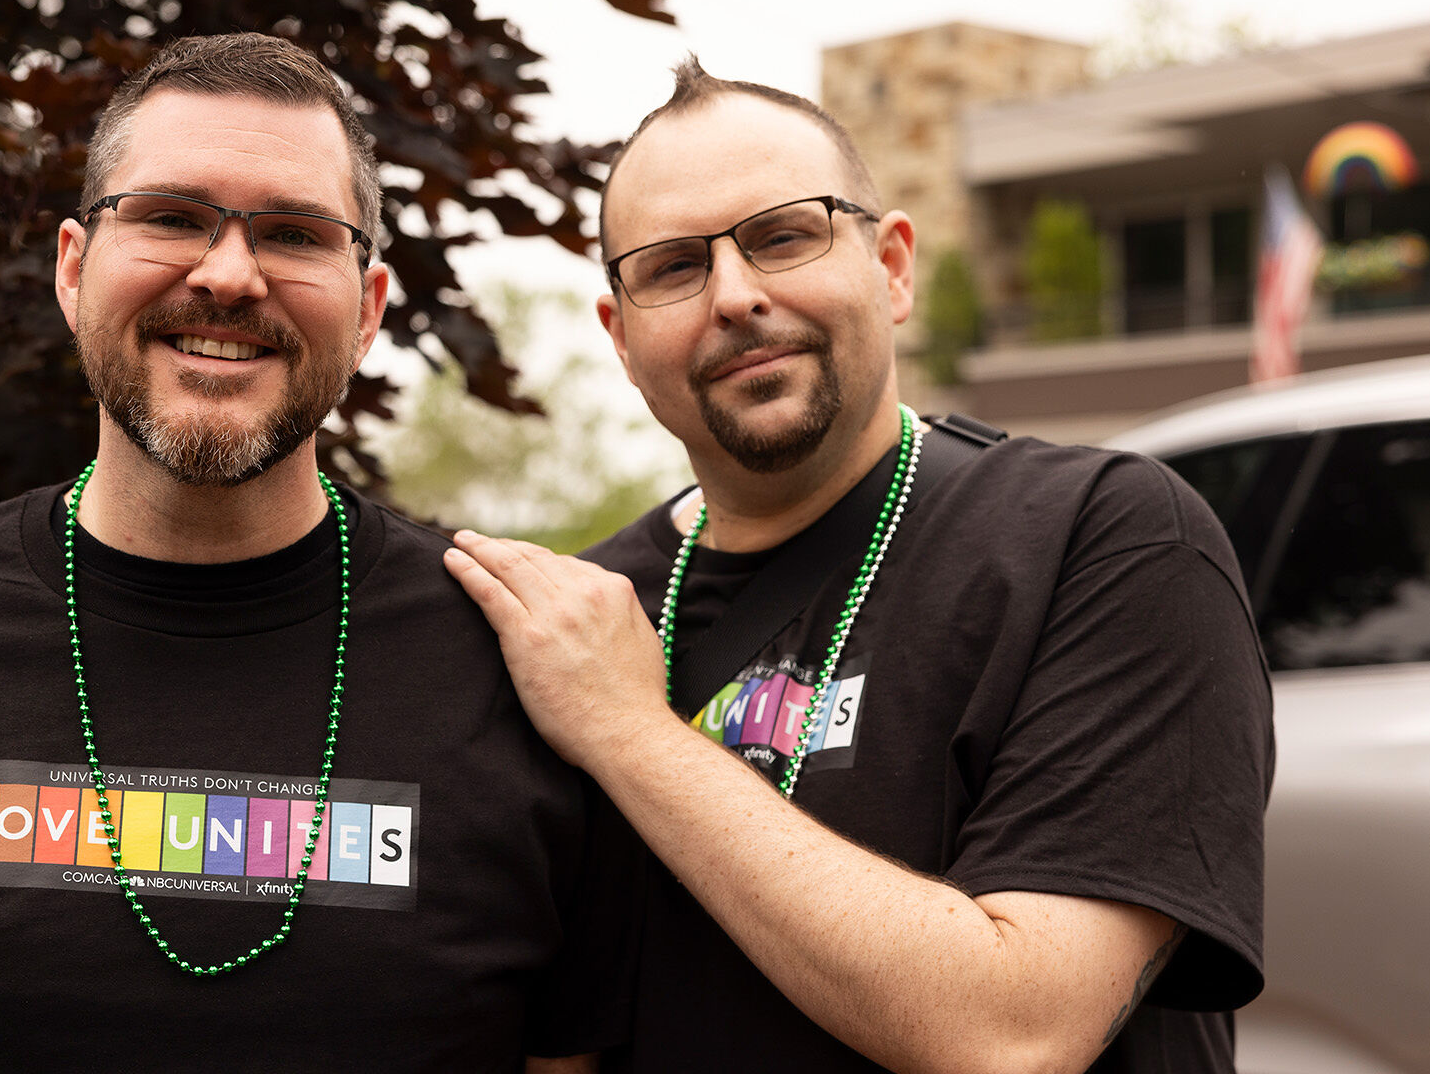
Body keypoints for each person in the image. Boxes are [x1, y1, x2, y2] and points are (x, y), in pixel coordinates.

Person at [0, 33, 628, 1073]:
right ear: (73, 270)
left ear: (365, 313)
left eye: (294, 233)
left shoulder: (519, 665)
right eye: (173, 218)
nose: (229, 276)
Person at [444, 60, 1272, 1074]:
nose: (736, 296)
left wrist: (626, 730)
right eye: (672, 267)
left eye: (784, 235)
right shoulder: (574, 625)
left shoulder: (1105, 539)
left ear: (893, 267)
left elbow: (1017, 1033)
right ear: (620, 337)